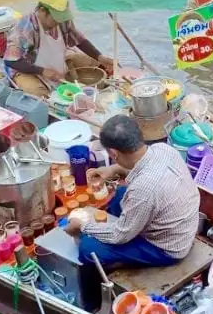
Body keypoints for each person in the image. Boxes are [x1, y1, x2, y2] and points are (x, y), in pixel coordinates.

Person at [65, 115, 200, 270]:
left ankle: (120, 263)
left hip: (168, 247)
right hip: (182, 222)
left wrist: (82, 226)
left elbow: (119, 235)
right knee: (122, 193)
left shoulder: (143, 189)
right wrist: (113, 169)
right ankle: (122, 231)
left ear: (113, 154)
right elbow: (142, 169)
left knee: (88, 248)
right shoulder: (163, 149)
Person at [4, 1, 114, 97]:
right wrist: (42, 71)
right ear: (42, 11)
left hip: (58, 61)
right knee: (36, 93)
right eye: (56, 19)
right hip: (30, 69)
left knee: (92, 61)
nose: (59, 22)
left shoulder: (63, 21)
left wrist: (100, 57)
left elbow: (78, 39)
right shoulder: (25, 27)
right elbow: (11, 61)